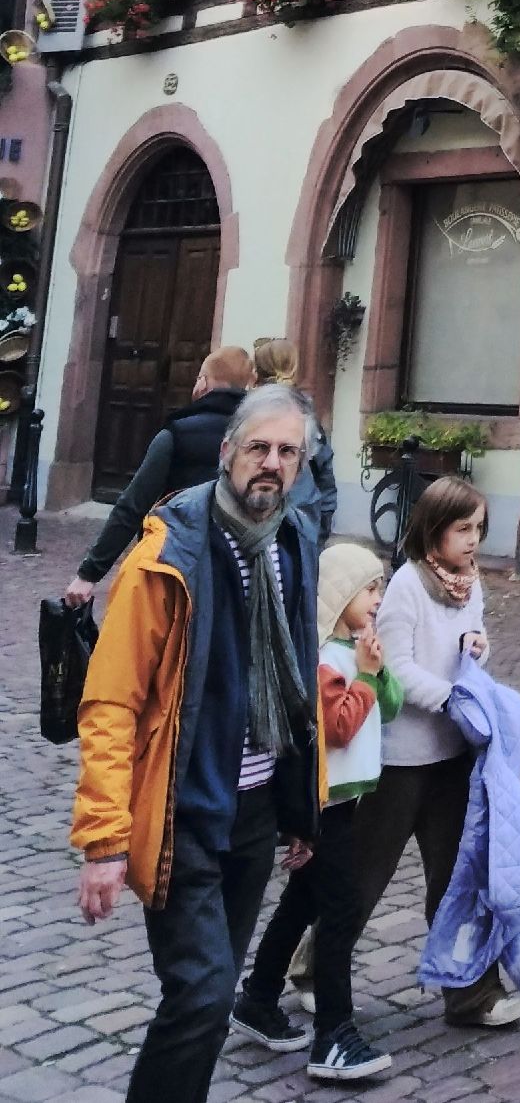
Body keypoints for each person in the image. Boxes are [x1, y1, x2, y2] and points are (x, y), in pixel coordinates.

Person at [71, 381, 323, 1103]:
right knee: (205, 992)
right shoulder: (170, 550)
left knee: (206, 1001)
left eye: (287, 451)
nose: (271, 462)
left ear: (301, 465)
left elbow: (297, 680)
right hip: (182, 810)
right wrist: (105, 840)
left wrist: (302, 806)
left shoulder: (294, 541)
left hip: (255, 811)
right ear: (226, 452)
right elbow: (113, 699)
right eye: (258, 447)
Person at [349, 477, 520, 1031]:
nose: (473, 540)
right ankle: (312, 968)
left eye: (479, 529)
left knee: (455, 881)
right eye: (462, 529)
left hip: (453, 756)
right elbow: (397, 668)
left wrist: (479, 647)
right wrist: (450, 697)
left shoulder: (470, 584)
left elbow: (471, 641)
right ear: (433, 530)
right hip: (401, 760)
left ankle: (471, 994)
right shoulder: (407, 585)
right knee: (365, 874)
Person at [234, 541, 397, 1084]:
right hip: (324, 803)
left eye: (379, 587)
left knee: (302, 900)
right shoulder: (325, 659)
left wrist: (377, 669)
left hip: (344, 801)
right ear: (340, 594)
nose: (378, 598)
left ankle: (258, 997)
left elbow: (391, 706)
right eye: (369, 588)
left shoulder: (352, 650)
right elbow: (340, 727)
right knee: (340, 910)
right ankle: (334, 1033)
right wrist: (365, 675)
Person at [63, 347, 256, 608]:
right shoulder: (261, 437)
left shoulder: (178, 433)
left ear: (203, 383)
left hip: (177, 565)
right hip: (240, 568)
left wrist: (89, 573)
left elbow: (133, 505)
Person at [252, 337, 338, 540]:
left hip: (258, 515)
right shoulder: (304, 412)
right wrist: (322, 523)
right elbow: (325, 471)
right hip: (301, 515)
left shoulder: (245, 411)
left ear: (257, 370)